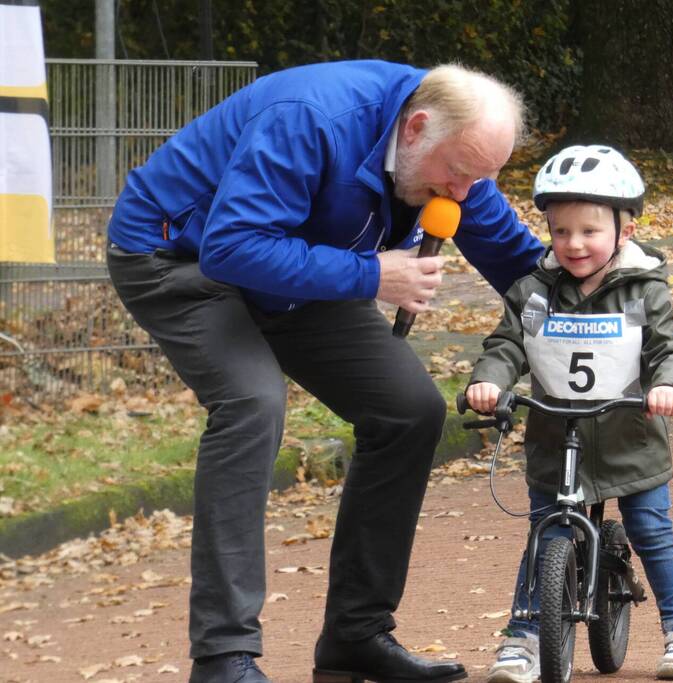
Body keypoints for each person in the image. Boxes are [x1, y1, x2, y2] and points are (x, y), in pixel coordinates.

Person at [105, 60, 545, 683]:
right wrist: (373, 275)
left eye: (483, 178)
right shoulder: (311, 120)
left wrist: (593, 298)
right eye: (461, 174)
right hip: (181, 258)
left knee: (409, 411)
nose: (466, 193)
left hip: (296, 263)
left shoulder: (452, 150)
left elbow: (511, 254)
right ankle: (224, 657)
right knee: (252, 404)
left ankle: (356, 636)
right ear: (415, 128)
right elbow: (231, 246)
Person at [464, 145, 673, 681]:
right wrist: (489, 380)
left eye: (590, 231)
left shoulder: (644, 290)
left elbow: (669, 350)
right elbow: (507, 346)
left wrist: (670, 385)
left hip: (630, 437)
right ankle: (523, 639)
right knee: (546, 535)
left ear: (624, 231)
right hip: (556, 442)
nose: (573, 244)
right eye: (560, 231)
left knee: (651, 529)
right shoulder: (532, 291)